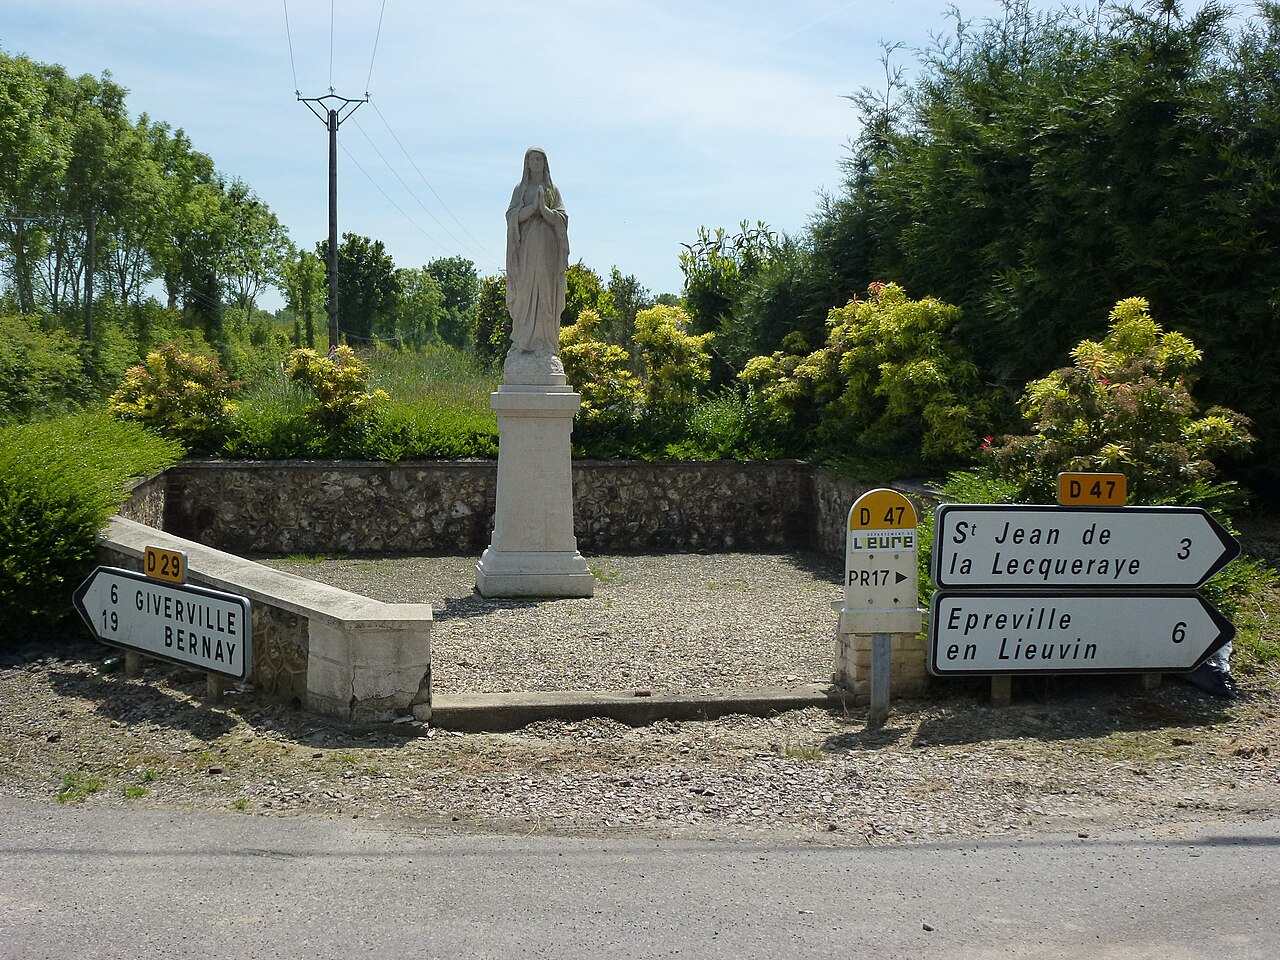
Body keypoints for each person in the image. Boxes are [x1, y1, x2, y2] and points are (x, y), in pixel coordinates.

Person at [505, 147, 569, 358]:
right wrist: (532, 209)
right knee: (525, 290)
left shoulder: (553, 190)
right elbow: (511, 216)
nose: (535, 162)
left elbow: (562, 219)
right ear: (527, 163)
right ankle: (523, 340)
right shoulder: (520, 189)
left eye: (539, 159)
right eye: (532, 159)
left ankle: (545, 342)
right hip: (526, 247)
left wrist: (545, 210)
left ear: (544, 162)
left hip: (547, 247)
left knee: (545, 291)